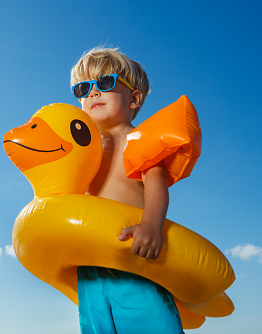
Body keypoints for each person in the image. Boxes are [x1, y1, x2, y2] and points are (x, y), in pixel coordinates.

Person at [70, 47, 184, 334]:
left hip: (134, 254)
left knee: (152, 323)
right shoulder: (85, 149)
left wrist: (150, 225)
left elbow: (156, 185)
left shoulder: (140, 140)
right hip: (92, 265)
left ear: (134, 98)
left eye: (105, 83)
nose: (93, 93)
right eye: (83, 88)